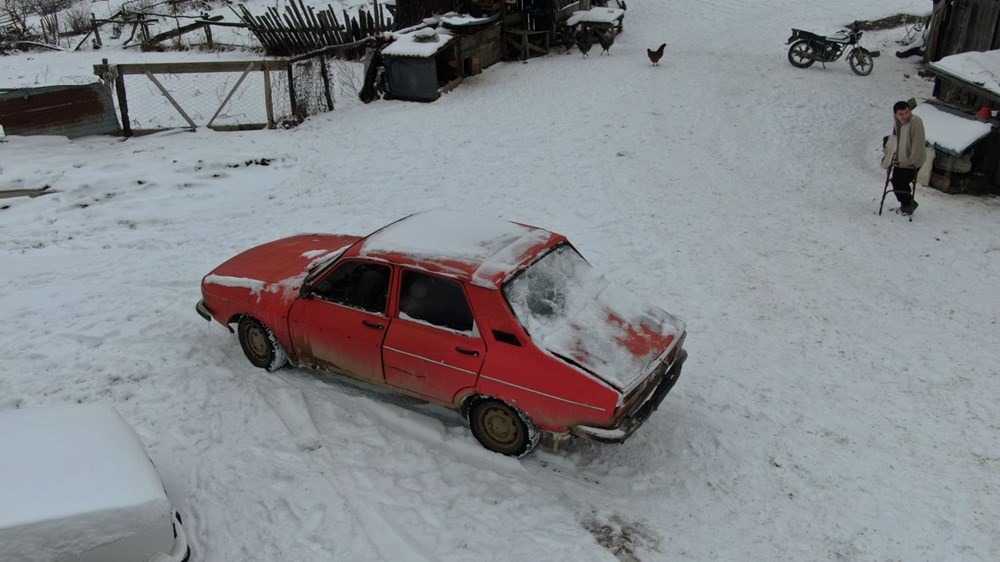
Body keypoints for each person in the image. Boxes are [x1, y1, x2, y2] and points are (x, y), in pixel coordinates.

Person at [886, 100, 926, 215]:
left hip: (914, 160)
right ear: (895, 115)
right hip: (902, 159)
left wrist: (908, 161)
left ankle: (909, 204)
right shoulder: (898, 122)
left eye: (907, 112)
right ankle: (906, 203)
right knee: (895, 181)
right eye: (901, 114)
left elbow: (918, 146)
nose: (905, 116)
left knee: (901, 182)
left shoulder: (915, 123)